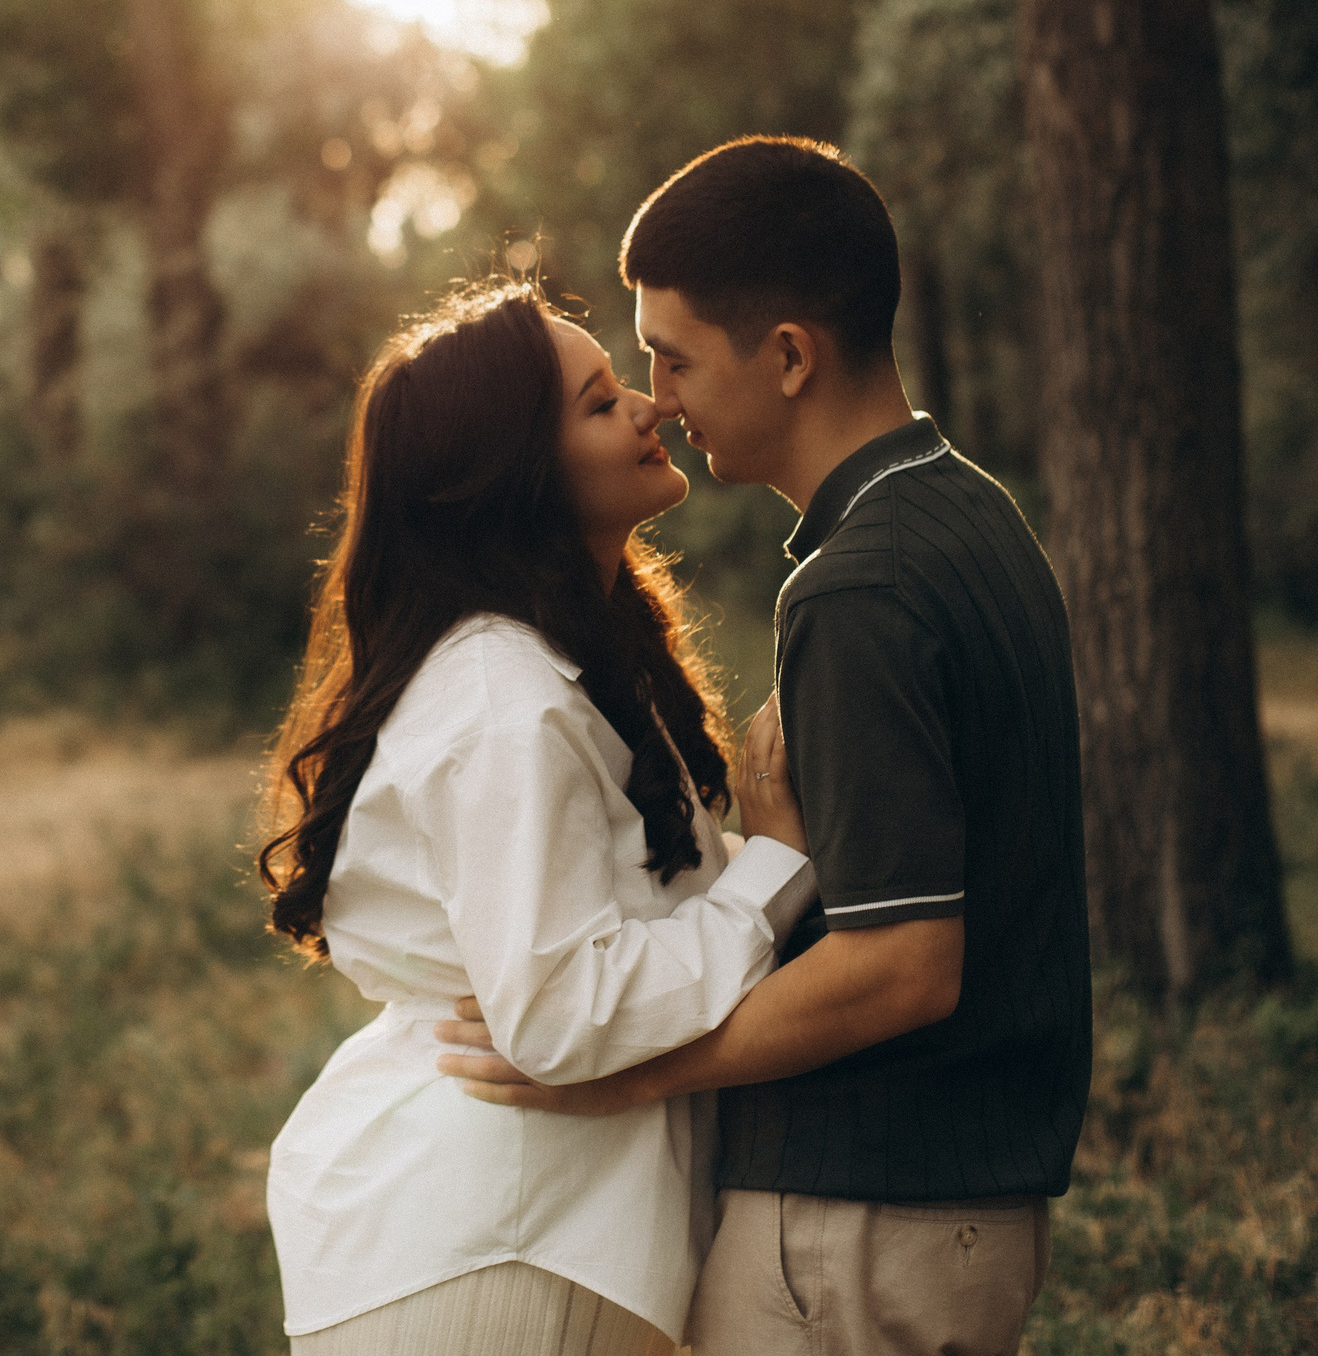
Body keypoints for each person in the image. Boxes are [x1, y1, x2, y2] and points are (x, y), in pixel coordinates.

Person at [435, 136, 1091, 1356]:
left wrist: (618, 1077)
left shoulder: (860, 586)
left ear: (788, 355)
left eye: (671, 358)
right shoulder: (970, 511)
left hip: (859, 1219)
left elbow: (903, 966)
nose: (660, 401)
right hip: (947, 1204)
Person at [259, 280, 818, 1356]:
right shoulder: (500, 697)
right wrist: (776, 867)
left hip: (538, 1237)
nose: (648, 407)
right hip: (494, 1247)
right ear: (513, 475)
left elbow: (598, 929)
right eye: (602, 402)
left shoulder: (569, 669)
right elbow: (560, 1017)